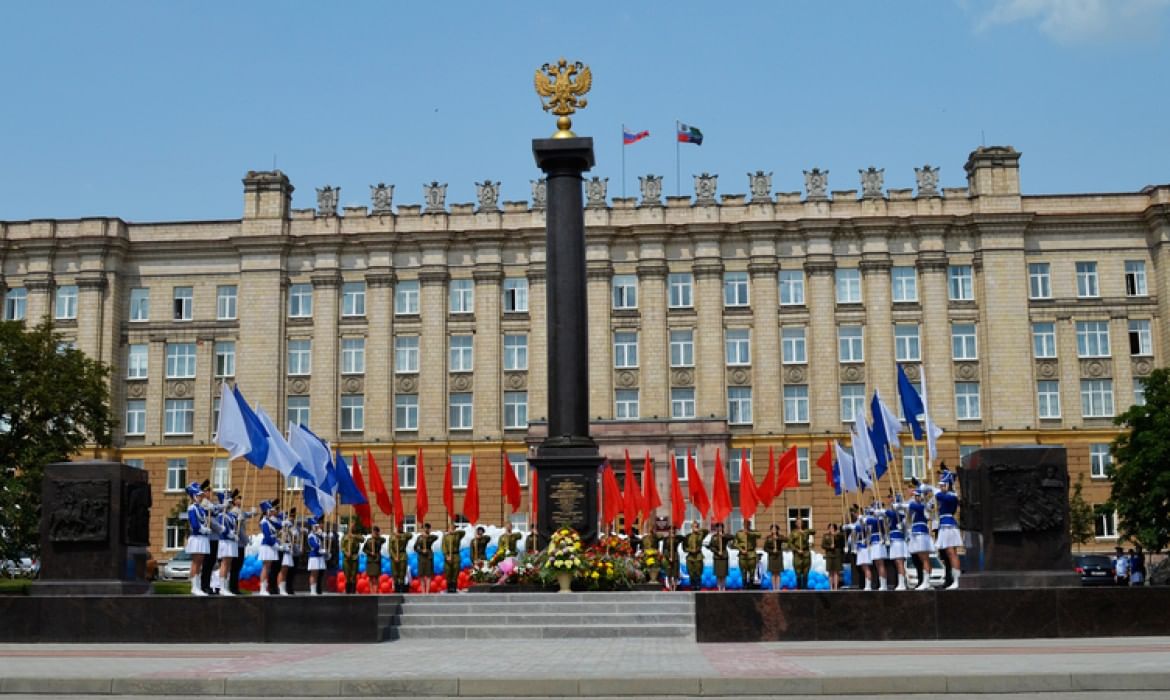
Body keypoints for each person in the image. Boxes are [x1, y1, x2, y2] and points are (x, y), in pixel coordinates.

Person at [934, 470, 962, 590]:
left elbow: (940, 495)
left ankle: (957, 580)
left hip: (949, 525)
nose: (940, 487)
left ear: (948, 484)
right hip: (944, 525)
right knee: (948, 553)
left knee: (952, 553)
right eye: (940, 485)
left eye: (943, 484)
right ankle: (953, 579)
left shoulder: (951, 496)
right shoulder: (945, 496)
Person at [184, 480, 212, 596]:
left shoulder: (200, 508)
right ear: (194, 496)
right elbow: (194, 524)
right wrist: (202, 529)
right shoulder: (192, 508)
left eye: (201, 495)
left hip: (202, 538)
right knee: (196, 562)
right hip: (197, 537)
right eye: (199, 496)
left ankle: (197, 585)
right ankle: (194, 586)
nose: (201, 497)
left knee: (200, 562)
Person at [907, 486, 936, 590]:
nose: (916, 497)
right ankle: (926, 581)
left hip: (921, 532)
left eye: (918, 496)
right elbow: (909, 517)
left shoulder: (921, 506)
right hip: (916, 532)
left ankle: (926, 581)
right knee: (923, 558)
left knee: (924, 558)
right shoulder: (919, 505)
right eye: (915, 496)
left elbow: (929, 514)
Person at [214, 489, 240, 597]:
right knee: (224, 564)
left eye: (230, 501)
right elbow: (222, 529)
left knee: (228, 565)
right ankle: (222, 587)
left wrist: (235, 534)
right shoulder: (221, 515)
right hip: (225, 541)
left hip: (231, 541)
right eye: (228, 501)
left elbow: (233, 527)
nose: (230, 503)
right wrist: (229, 534)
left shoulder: (231, 515)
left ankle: (226, 586)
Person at [257, 500, 280, 596]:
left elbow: (279, 526)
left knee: (268, 567)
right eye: (270, 511)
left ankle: (264, 588)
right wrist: (275, 544)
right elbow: (267, 535)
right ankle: (262, 589)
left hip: (271, 546)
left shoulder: (270, 521)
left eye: (272, 511)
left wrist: (285, 523)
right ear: (266, 511)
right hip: (267, 545)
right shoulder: (264, 522)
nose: (271, 512)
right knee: (265, 568)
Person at [886, 495, 909, 591]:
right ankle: (900, 582)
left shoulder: (899, 514)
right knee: (897, 562)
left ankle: (902, 583)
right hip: (893, 540)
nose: (891, 504)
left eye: (893, 502)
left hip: (899, 540)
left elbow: (889, 513)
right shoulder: (894, 514)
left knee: (900, 562)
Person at [705, 522, 735, 591]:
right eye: (718, 527)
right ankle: (719, 587)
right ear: (716, 528)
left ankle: (723, 587)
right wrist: (717, 552)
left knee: (724, 574)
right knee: (718, 574)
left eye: (720, 527)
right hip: (717, 557)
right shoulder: (714, 537)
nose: (719, 528)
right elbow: (711, 546)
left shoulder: (725, 536)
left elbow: (732, 537)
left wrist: (723, 536)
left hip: (724, 556)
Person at [789, 518, 814, 590]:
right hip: (797, 554)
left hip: (806, 553)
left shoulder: (806, 530)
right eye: (798, 522)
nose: (799, 523)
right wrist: (796, 550)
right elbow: (790, 544)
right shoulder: (793, 533)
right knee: (798, 573)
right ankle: (799, 588)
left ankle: (805, 588)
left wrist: (804, 532)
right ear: (796, 523)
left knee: (806, 572)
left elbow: (814, 532)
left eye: (801, 522)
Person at [388, 523, 412, 592]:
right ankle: (396, 590)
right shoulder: (392, 536)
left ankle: (402, 589)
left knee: (402, 574)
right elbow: (390, 549)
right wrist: (394, 556)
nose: (400, 528)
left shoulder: (405, 535)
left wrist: (401, 535)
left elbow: (410, 535)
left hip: (402, 555)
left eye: (401, 527)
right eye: (398, 526)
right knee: (395, 574)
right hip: (394, 556)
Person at [684, 521, 709, 590]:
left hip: (698, 557)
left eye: (696, 526)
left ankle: (698, 588)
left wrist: (699, 530)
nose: (695, 528)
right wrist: (691, 550)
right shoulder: (688, 536)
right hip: (690, 557)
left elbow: (707, 531)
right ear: (691, 527)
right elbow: (684, 548)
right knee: (691, 574)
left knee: (698, 574)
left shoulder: (700, 535)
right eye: (694, 526)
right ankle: (692, 587)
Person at [414, 522, 438, 594]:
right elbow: (415, 548)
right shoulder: (419, 537)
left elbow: (436, 537)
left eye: (427, 528)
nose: (426, 529)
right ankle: (423, 591)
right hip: (421, 557)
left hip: (428, 556)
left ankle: (427, 591)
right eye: (425, 528)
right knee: (421, 575)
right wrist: (421, 551)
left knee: (428, 575)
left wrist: (427, 536)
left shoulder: (431, 537)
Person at [340, 521, 363, 594]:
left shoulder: (357, 535)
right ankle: (347, 591)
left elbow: (362, 540)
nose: (352, 527)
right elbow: (342, 546)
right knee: (347, 575)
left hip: (354, 557)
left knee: (353, 575)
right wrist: (346, 552)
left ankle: (353, 591)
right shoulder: (345, 536)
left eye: (353, 526)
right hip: (347, 558)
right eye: (351, 525)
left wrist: (354, 536)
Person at [442, 524, 464, 593]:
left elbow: (463, 532)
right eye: (450, 528)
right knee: (448, 572)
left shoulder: (457, 535)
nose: (451, 529)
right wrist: (446, 556)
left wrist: (454, 532)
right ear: (448, 529)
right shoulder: (445, 537)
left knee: (455, 571)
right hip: (448, 556)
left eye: (453, 528)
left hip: (456, 555)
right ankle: (449, 588)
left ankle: (454, 588)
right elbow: (443, 547)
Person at [763, 524, 787, 588]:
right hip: (772, 557)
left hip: (778, 556)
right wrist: (771, 551)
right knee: (773, 573)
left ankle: (778, 587)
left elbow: (786, 540)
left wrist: (778, 538)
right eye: (772, 529)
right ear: (770, 530)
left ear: (777, 530)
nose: (774, 530)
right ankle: (774, 587)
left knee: (778, 573)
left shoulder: (780, 536)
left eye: (775, 529)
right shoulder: (768, 538)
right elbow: (765, 548)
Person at [363, 525, 385, 592]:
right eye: (373, 531)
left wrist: (377, 537)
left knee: (375, 577)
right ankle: (371, 591)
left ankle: (375, 592)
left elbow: (384, 540)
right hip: (370, 560)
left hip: (376, 560)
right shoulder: (369, 540)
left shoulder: (379, 540)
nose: (374, 533)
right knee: (370, 577)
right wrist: (369, 553)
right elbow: (364, 549)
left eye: (376, 532)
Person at [306, 518, 325, 595]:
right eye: (316, 527)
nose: (318, 528)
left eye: (318, 527)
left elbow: (322, 544)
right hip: (314, 556)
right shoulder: (311, 535)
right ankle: (312, 590)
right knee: (313, 574)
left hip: (319, 556)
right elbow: (314, 545)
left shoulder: (317, 535)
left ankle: (316, 589)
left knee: (317, 574)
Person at [659, 526, 682, 591]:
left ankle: (674, 588)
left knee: (675, 574)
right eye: (670, 530)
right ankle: (670, 587)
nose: (671, 531)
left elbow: (682, 538)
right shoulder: (665, 539)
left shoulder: (677, 539)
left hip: (675, 556)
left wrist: (674, 537)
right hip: (668, 556)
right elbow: (664, 549)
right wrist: (667, 557)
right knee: (668, 573)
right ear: (668, 531)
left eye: (673, 530)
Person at [823, 524, 844, 590]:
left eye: (832, 528)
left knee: (836, 572)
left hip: (837, 555)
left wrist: (835, 534)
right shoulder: (826, 536)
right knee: (830, 572)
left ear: (835, 529)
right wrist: (829, 546)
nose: (831, 529)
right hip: (829, 555)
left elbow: (842, 537)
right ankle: (831, 587)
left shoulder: (838, 535)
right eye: (830, 528)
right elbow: (823, 545)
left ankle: (836, 587)